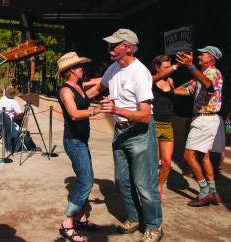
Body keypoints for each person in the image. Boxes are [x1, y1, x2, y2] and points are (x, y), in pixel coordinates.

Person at [92, 28, 163, 242]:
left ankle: (154, 226)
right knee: (122, 180)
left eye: (115, 45)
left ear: (129, 48)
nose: (110, 48)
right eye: (110, 45)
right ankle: (134, 218)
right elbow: (98, 88)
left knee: (144, 185)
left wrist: (115, 110)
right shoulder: (114, 68)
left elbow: (144, 116)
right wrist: (73, 95)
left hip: (139, 133)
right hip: (120, 132)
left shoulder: (139, 73)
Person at [56, 52, 101, 242]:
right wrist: (95, 111)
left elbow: (97, 86)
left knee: (84, 178)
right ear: (71, 70)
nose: (83, 68)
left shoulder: (79, 86)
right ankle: (67, 224)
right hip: (73, 141)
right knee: (86, 182)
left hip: (82, 140)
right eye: (80, 66)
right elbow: (74, 114)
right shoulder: (66, 90)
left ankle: (81, 219)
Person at [174, 46, 224, 207]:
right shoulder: (201, 75)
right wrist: (167, 90)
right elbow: (187, 89)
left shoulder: (212, 73)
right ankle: (214, 192)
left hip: (205, 119)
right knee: (204, 156)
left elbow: (208, 84)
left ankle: (204, 192)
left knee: (188, 155)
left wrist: (190, 66)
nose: (200, 56)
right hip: (206, 119)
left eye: (204, 54)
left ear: (212, 58)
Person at [150, 55, 179, 199]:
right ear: (157, 67)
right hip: (154, 123)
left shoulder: (171, 81)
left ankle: (159, 188)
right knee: (153, 162)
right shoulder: (151, 79)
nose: (169, 69)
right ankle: (149, 188)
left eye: (170, 66)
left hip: (168, 125)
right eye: (165, 67)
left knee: (167, 162)